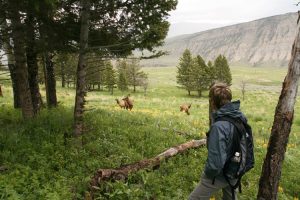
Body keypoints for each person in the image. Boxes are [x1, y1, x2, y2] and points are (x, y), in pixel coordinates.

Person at [189, 83, 248, 200]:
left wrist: (208, 176)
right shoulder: (239, 116)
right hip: (237, 167)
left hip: (222, 173)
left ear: (212, 102)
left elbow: (216, 163)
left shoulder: (219, 127)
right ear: (229, 100)